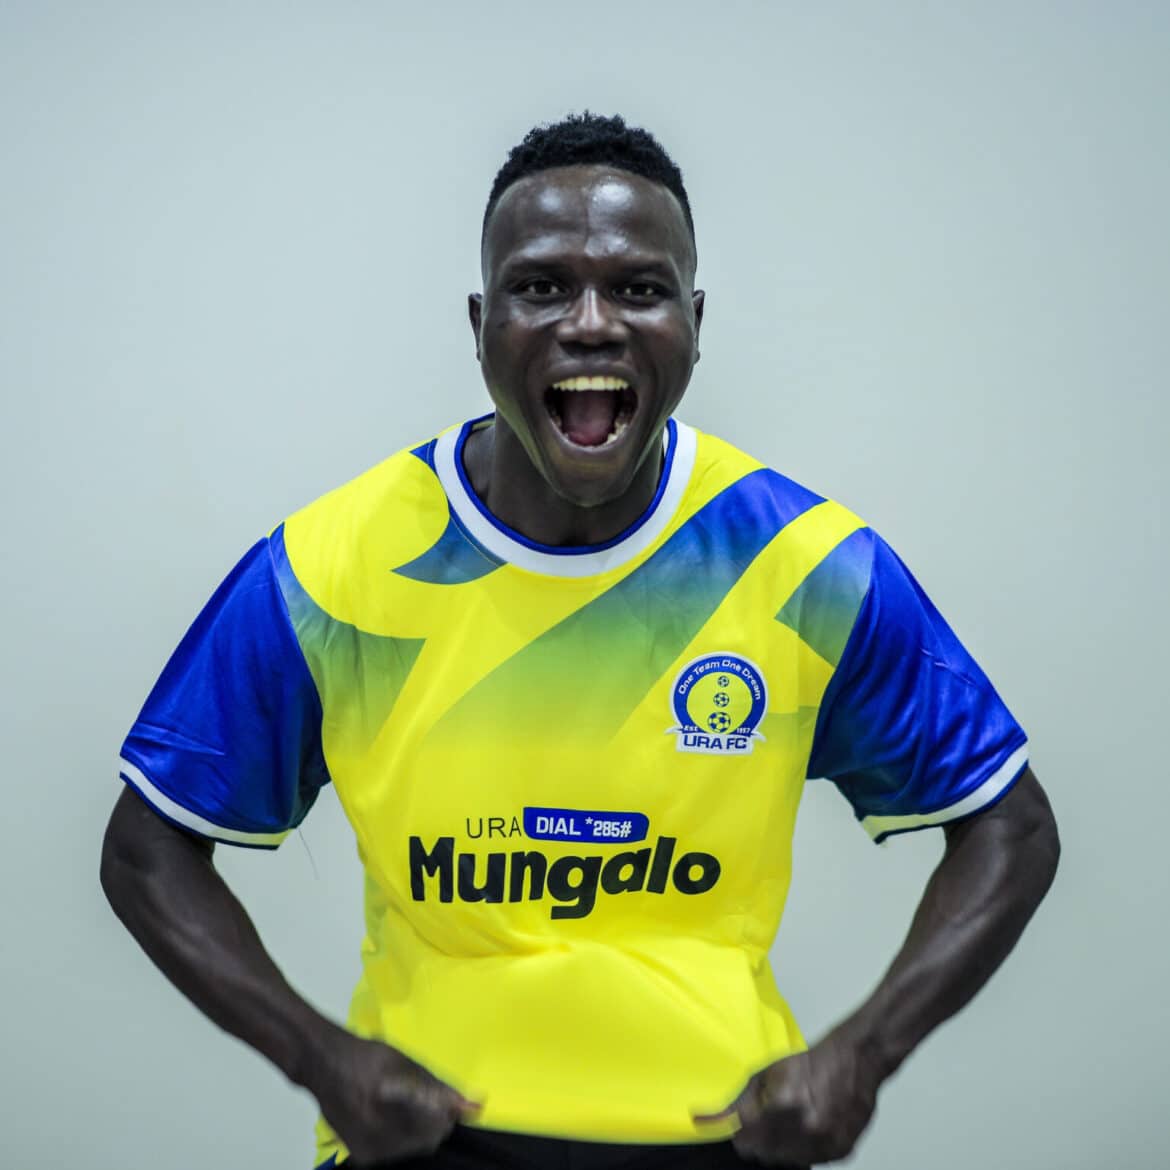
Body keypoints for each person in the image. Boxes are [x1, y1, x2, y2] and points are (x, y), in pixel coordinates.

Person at [101, 112, 1060, 1170]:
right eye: (542, 286)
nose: (592, 323)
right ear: (481, 324)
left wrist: (863, 1056)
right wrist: (320, 1058)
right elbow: (146, 849)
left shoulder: (804, 565)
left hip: (718, 1136)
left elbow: (1010, 827)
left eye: (639, 289)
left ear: (695, 322)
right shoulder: (332, 570)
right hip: (424, 1136)